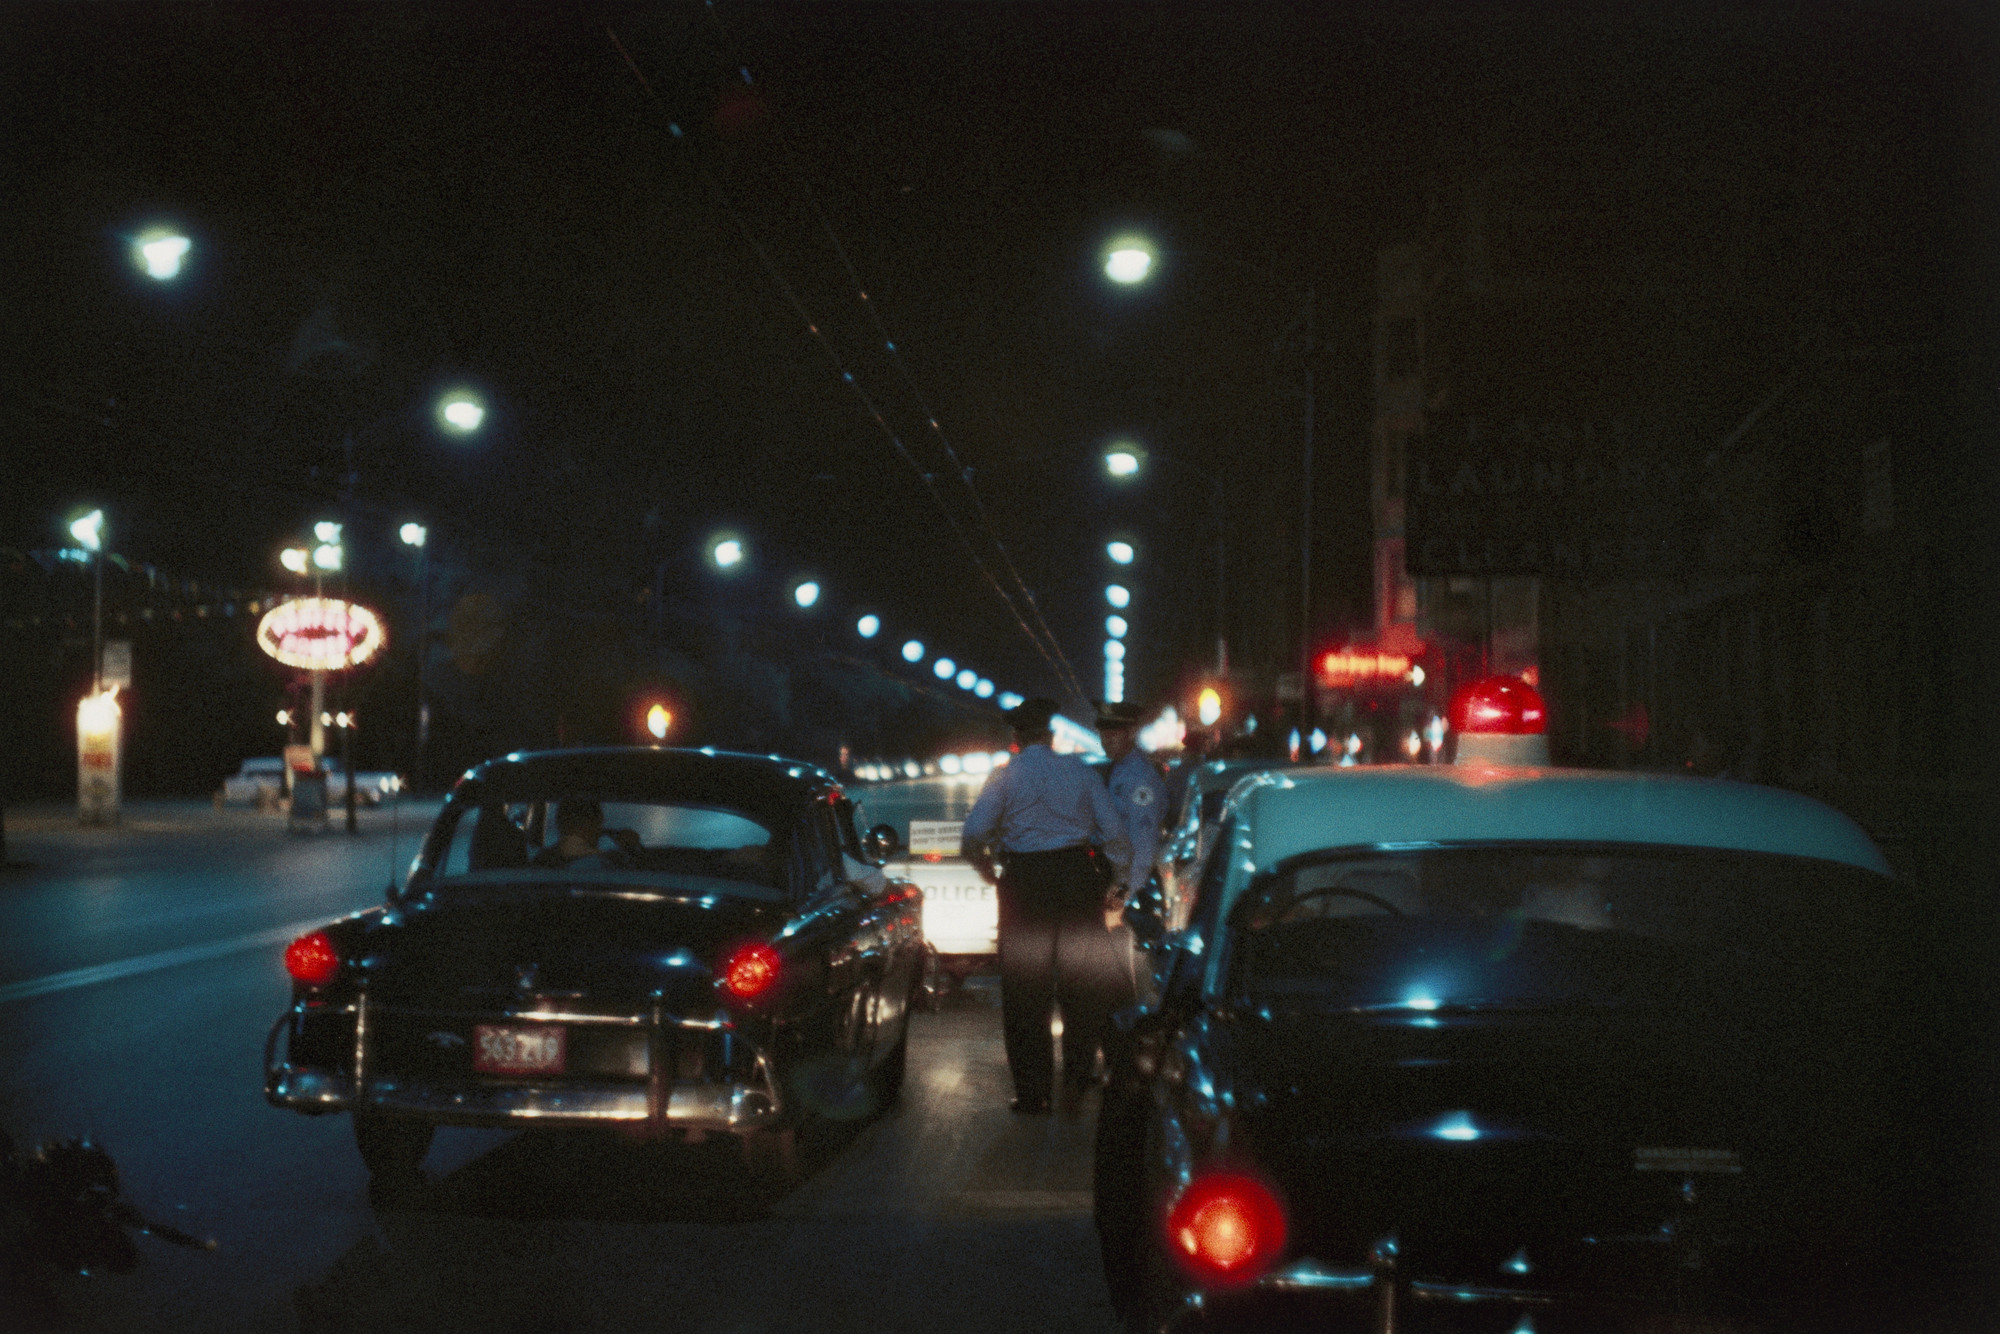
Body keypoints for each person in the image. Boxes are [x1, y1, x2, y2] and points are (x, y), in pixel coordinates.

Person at [961, 697, 1134, 1115]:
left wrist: (988, 871)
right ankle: (1076, 1080)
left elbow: (973, 835)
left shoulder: (1004, 777)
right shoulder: (1081, 772)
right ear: (1051, 735)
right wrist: (1118, 880)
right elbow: (1115, 834)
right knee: (1082, 986)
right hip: (1077, 881)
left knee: (1025, 992)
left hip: (1025, 886)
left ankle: (1033, 1093)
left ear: (1016, 737)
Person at [1096, 701, 1170, 929]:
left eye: (1113, 734)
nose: (1106, 740)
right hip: (1118, 880)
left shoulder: (1139, 777)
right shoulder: (1120, 768)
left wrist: (1123, 897)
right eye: (1103, 733)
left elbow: (1143, 845)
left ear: (1131, 733)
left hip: (1132, 889)